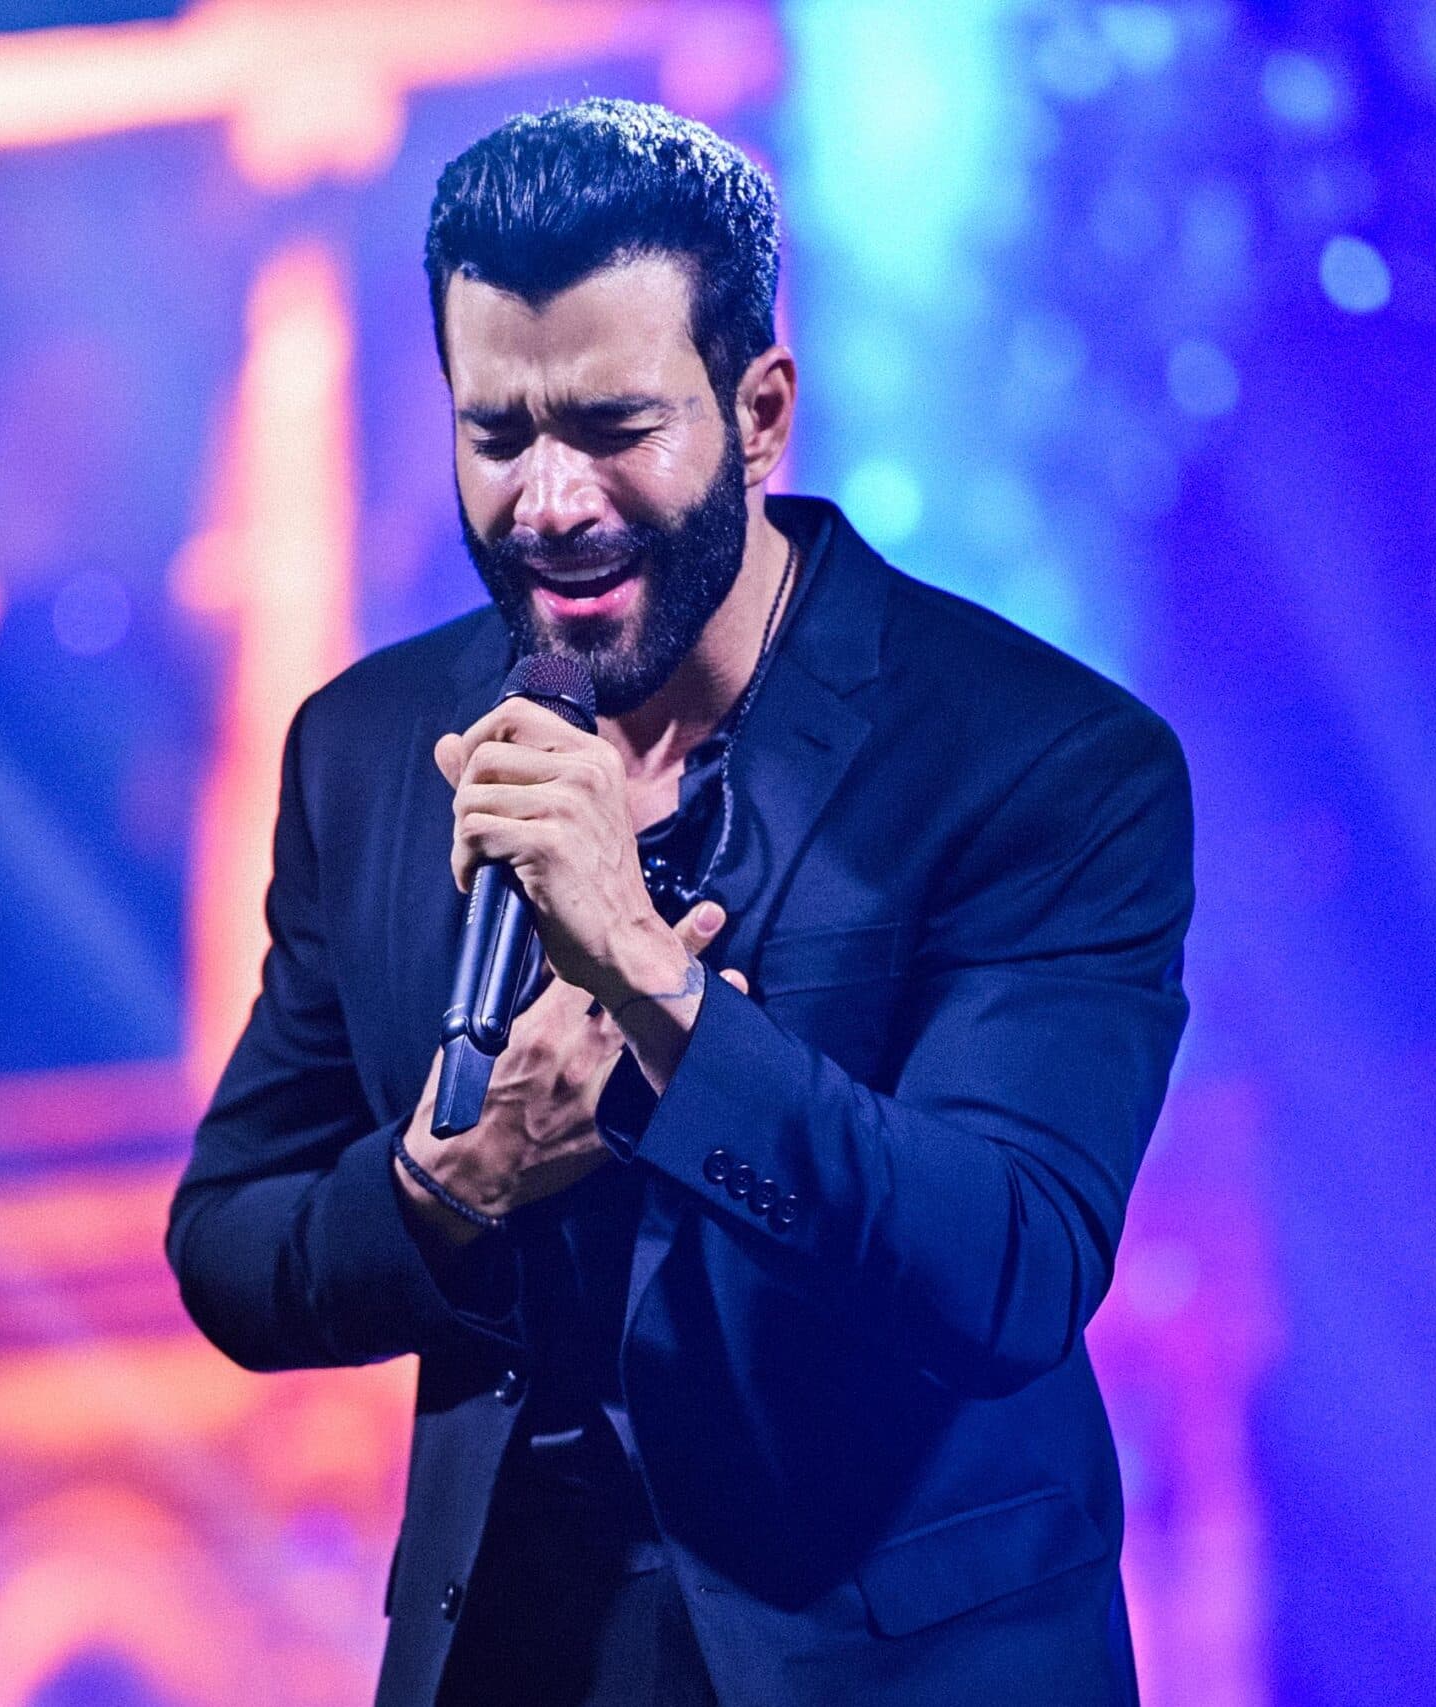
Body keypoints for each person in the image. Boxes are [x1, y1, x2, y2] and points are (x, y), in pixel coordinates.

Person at [166, 97, 1193, 1706]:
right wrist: (453, 1184)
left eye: (612, 428)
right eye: (498, 434)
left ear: (760, 413)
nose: (549, 500)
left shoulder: (1042, 760)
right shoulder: (369, 750)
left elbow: (1007, 1267)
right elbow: (232, 1241)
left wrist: (658, 991)